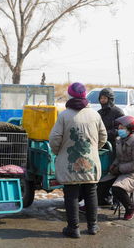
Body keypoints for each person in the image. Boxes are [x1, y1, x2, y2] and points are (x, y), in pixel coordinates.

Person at [49, 82, 107, 238]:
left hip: (70, 162)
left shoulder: (64, 115)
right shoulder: (95, 115)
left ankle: (73, 228)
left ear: (70, 96)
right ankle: (93, 226)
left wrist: (58, 152)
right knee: (91, 192)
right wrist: (93, 149)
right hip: (91, 161)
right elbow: (103, 137)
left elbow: (54, 138)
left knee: (71, 193)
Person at [96, 115, 134, 221]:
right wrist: (114, 165)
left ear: (131, 129)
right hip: (122, 170)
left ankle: (130, 208)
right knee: (101, 183)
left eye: (122, 128)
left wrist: (119, 168)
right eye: (119, 128)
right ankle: (93, 204)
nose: (119, 131)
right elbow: (119, 157)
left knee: (117, 188)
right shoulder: (120, 139)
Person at [96, 88, 124, 205]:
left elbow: (121, 128)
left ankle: (117, 198)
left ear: (110, 99)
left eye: (105, 98)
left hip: (114, 144)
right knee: (102, 172)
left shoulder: (118, 112)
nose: (102, 100)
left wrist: (107, 134)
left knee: (113, 171)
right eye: (101, 98)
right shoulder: (99, 112)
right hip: (101, 145)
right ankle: (102, 196)